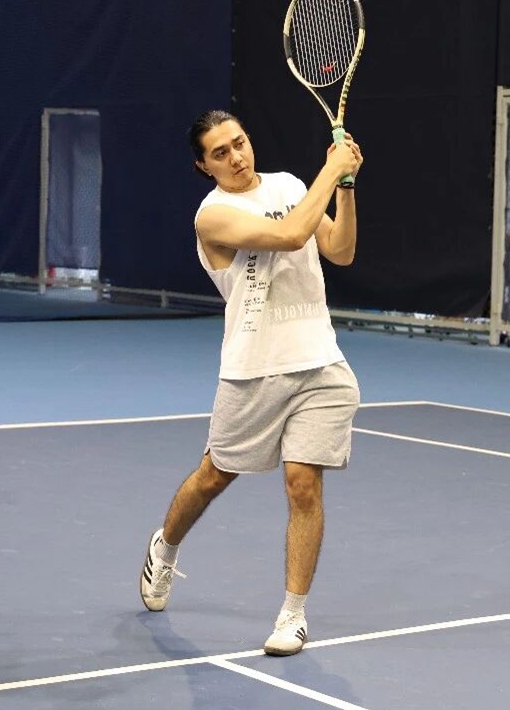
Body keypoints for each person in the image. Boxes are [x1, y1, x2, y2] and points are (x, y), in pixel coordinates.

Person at [139, 110, 363, 656]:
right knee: (213, 477)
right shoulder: (212, 216)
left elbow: (339, 250)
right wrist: (331, 169)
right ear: (204, 166)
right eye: (220, 153)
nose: (236, 157)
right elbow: (289, 235)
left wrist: (346, 185)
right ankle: (165, 547)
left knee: (303, 484)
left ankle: (293, 615)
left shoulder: (289, 186)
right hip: (252, 370)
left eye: (239, 143)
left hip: (319, 362)